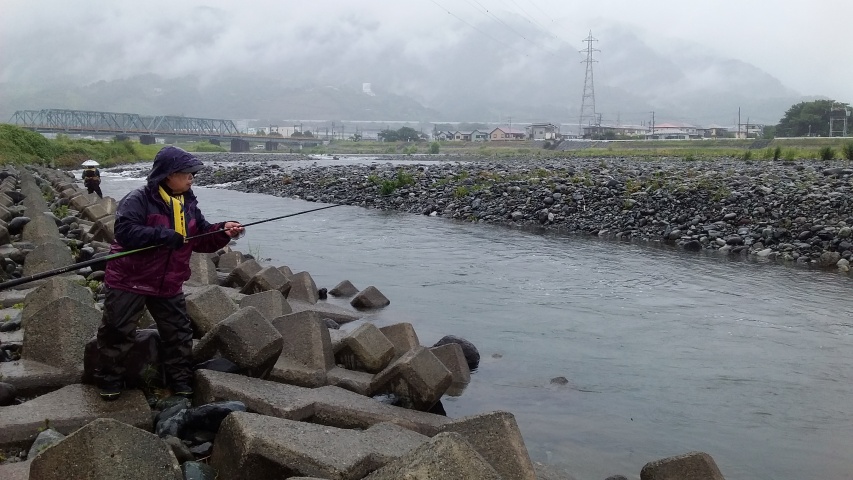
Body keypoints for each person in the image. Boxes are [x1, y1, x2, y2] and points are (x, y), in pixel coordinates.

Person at [95, 146, 244, 401]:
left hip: (169, 282)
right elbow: (125, 232)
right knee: (117, 331)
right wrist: (163, 235)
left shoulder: (188, 202)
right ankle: (110, 380)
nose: (191, 177)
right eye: (187, 173)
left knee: (179, 334)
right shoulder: (138, 199)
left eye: (192, 173)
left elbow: (200, 237)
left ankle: (181, 382)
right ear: (168, 174)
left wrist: (222, 231)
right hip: (130, 280)